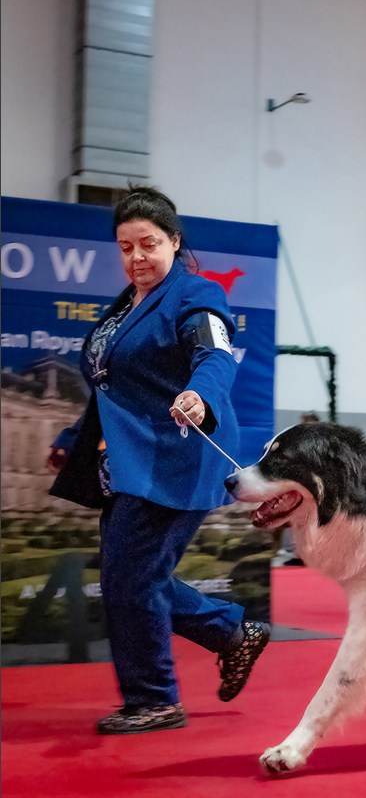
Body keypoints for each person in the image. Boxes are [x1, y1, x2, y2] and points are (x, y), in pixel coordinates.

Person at [46, 185, 270, 735]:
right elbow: (111, 387)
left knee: (131, 579)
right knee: (135, 578)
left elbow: (214, 354)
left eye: (147, 243)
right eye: (125, 247)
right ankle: (229, 634)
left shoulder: (197, 295)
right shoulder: (123, 308)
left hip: (178, 457)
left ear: (173, 242)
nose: (136, 257)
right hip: (129, 464)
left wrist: (201, 395)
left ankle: (155, 699)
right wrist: (75, 436)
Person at [274, 411, 321, 566]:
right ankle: (300, 555)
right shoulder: (296, 445)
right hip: (299, 491)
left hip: (315, 493)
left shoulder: (321, 446)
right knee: (298, 522)